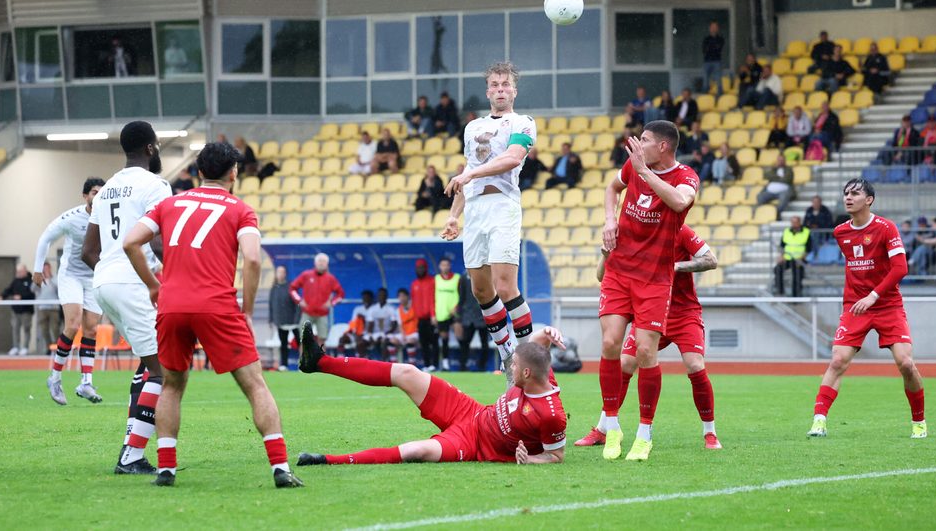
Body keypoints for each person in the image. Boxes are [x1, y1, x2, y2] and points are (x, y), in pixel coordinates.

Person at [122, 141, 303, 488]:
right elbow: (251, 259)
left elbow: (131, 241)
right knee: (255, 385)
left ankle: (166, 469)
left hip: (172, 305)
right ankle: (280, 468)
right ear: (234, 173)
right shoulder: (240, 210)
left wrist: (153, 285)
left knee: (171, 386)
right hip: (216, 304)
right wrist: (247, 311)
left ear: (199, 173)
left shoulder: (169, 204)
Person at [296, 323, 567, 465]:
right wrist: (547, 332)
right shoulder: (542, 371)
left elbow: (556, 456)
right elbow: (535, 347)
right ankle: (318, 362)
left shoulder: (551, 415)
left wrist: (529, 460)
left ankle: (326, 460)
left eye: (515, 367)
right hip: (471, 412)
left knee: (418, 450)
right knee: (407, 373)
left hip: (475, 446)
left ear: (528, 375)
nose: (510, 369)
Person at [598, 120, 700, 461]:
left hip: (655, 278)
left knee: (645, 352)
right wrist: (610, 221)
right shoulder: (633, 166)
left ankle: (644, 433)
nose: (638, 144)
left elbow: (678, 202)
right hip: (619, 270)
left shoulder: (685, 177)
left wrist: (644, 171)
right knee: (611, 343)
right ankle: (612, 426)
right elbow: (611, 189)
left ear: (664, 147)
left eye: (644, 140)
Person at [577, 225, 721, 450]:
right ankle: (604, 428)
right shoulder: (631, 234)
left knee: (694, 365)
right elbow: (601, 276)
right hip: (649, 312)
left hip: (683, 313)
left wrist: (675, 267)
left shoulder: (680, 231)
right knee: (624, 362)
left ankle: (710, 433)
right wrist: (605, 256)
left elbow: (711, 260)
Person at [82, 120, 172, 475]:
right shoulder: (156, 185)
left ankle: (132, 446)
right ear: (151, 148)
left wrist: (111, 272)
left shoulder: (106, 190)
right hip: (133, 283)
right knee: (166, 371)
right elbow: (157, 243)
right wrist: (178, 278)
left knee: (147, 364)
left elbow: (89, 250)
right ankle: (132, 456)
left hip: (104, 282)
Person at [441, 61, 538, 383]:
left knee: (505, 285)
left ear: (514, 90)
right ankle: (507, 354)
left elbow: (511, 158)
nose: (500, 89)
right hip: (477, 211)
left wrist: (469, 173)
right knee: (481, 290)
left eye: (505, 84)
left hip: (504, 206)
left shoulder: (522, 123)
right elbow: (468, 175)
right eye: (494, 84)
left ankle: (530, 361)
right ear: (487, 91)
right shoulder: (472, 128)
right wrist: (454, 215)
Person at [807, 178, 926, 440]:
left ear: (869, 199)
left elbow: (900, 268)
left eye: (855, 193)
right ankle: (819, 420)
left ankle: (919, 421)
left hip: (887, 305)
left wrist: (873, 296)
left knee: (905, 363)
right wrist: (860, 297)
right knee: (837, 360)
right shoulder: (840, 232)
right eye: (845, 193)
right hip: (854, 306)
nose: (848, 197)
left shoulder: (886, 228)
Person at [33, 176, 106, 404]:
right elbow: (46, 237)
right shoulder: (72, 218)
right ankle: (55, 377)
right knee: (73, 325)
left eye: (102, 192)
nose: (98, 196)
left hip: (94, 276)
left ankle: (86, 383)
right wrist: (37, 269)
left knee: (92, 329)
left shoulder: (110, 217)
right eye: (95, 192)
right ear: (85, 196)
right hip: (71, 276)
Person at [289, 253, 345, 348]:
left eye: (324, 262)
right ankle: (304, 362)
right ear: (315, 263)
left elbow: (340, 294)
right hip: (307, 312)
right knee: (304, 338)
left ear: (327, 264)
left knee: (322, 339)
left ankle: (321, 362)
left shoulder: (330, 278)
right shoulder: (306, 275)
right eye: (319, 261)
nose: (321, 263)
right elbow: (292, 288)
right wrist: (299, 301)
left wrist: (331, 303)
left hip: (322, 314)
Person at [0, 264, 35, 356]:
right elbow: (9, 290)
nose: (18, 273)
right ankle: (16, 347)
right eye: (17, 272)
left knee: (26, 329)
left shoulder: (31, 280)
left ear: (25, 271)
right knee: (15, 329)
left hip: (26, 310)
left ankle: (25, 347)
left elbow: (32, 294)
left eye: (20, 271)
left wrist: (21, 297)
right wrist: (2, 296)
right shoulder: (16, 281)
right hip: (16, 310)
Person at [456, 268, 488, 372]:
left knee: (484, 343)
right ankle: (462, 366)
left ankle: (482, 366)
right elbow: (461, 297)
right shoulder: (464, 276)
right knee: (465, 343)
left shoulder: (485, 273)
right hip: (468, 316)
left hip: (482, 315)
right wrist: (459, 317)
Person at [268, 266, 300, 372]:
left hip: (294, 321)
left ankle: (304, 364)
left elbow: (297, 303)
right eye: (278, 272)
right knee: (283, 344)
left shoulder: (291, 286)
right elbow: (271, 304)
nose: (280, 274)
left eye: (282, 272)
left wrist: (297, 319)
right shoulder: (274, 288)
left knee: (301, 343)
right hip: (281, 321)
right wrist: (271, 319)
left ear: (285, 274)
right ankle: (284, 365)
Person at [433, 257, 460, 371]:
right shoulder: (436, 279)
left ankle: (463, 363)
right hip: (441, 313)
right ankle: (445, 363)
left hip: (455, 313)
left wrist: (457, 307)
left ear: (450, 266)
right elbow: (432, 297)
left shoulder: (457, 278)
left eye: (447, 265)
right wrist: (433, 313)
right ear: (440, 266)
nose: (445, 267)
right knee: (444, 339)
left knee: (461, 337)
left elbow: (462, 294)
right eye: (443, 265)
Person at [411, 258, 437, 371]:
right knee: (423, 343)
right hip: (420, 319)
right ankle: (427, 365)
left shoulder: (432, 281)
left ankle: (435, 365)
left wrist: (433, 314)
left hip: (431, 318)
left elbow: (434, 299)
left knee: (434, 342)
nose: (420, 270)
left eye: (422, 267)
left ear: (426, 268)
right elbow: (414, 302)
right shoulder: (414, 284)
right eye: (418, 268)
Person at [774, 216, 811, 296]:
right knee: (777, 269)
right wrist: (781, 256)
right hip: (787, 258)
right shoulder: (786, 231)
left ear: (799, 222)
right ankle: (780, 291)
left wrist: (801, 258)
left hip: (799, 259)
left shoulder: (806, 232)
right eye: (792, 222)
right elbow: (782, 246)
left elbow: (809, 248)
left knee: (797, 275)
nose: (794, 224)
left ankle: (796, 296)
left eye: (796, 222)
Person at [33, 262, 61, 355]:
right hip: (42, 307)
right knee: (44, 329)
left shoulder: (55, 279)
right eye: (44, 269)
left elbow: (59, 289)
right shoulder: (40, 279)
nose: (46, 270)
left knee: (55, 328)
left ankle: (57, 347)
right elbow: (33, 289)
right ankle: (49, 347)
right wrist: (38, 279)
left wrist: (50, 279)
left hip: (54, 307)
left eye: (47, 268)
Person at [757, 154, 795, 219]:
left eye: (782, 160)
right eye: (779, 160)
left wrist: (774, 178)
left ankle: (777, 213)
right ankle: (767, 212)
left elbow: (787, 179)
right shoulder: (773, 169)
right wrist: (779, 177)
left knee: (784, 199)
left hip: (783, 191)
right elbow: (767, 175)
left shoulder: (789, 169)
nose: (780, 161)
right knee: (760, 197)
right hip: (770, 192)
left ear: (785, 161)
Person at [387, 288, 419, 365]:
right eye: (400, 296)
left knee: (410, 341)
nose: (402, 298)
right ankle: (393, 363)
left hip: (415, 332)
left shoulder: (415, 306)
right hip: (404, 333)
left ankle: (412, 363)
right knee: (392, 341)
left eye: (403, 296)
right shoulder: (398, 310)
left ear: (408, 297)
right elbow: (400, 324)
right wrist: (403, 336)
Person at [339, 290, 374, 358]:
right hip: (356, 333)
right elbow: (353, 323)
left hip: (368, 334)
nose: (366, 300)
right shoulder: (358, 309)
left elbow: (372, 325)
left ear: (371, 299)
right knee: (342, 339)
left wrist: (364, 319)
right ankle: (340, 359)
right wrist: (354, 333)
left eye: (367, 298)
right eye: (364, 298)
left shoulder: (374, 309)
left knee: (360, 343)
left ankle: (361, 360)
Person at [368, 288, 395, 361]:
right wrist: (370, 335)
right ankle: (362, 363)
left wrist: (385, 334)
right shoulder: (372, 309)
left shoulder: (391, 308)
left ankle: (384, 362)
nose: (381, 297)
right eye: (380, 295)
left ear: (386, 296)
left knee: (384, 342)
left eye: (383, 295)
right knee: (361, 343)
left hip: (388, 333)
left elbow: (393, 325)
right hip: (375, 333)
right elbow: (370, 325)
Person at [701, 21, 724, 95]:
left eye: (715, 27)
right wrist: (713, 47)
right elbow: (704, 50)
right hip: (707, 61)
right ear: (709, 28)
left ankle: (719, 95)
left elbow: (718, 48)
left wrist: (710, 47)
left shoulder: (720, 39)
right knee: (705, 80)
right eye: (712, 27)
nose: (713, 29)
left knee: (718, 79)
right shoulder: (706, 39)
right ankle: (705, 95)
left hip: (717, 61)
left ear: (718, 29)